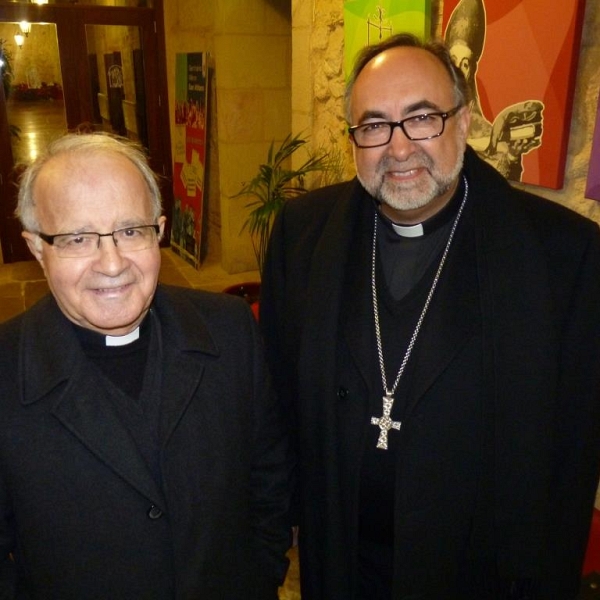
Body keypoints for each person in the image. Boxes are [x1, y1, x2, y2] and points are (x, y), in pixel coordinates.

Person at [259, 33, 600, 599]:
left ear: (463, 123)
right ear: (354, 140)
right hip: (340, 557)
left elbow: (571, 455)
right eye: (373, 125)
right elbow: (277, 401)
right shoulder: (303, 235)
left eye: (422, 118)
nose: (398, 149)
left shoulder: (564, 256)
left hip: (476, 570)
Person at [0, 133, 293, 599]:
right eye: (78, 238)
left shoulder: (230, 329)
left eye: (131, 231)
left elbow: (270, 482)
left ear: (159, 229)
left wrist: (258, 575)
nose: (112, 263)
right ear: (37, 248)